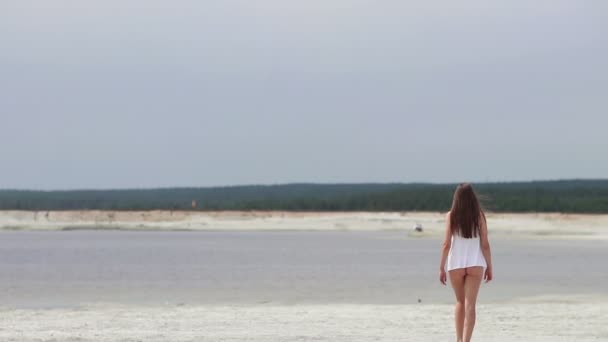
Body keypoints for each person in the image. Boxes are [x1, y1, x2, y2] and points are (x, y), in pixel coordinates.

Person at [439, 183, 493, 342]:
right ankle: (466, 340)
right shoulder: (479, 216)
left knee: (460, 302)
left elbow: (446, 244)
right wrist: (490, 266)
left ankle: (458, 340)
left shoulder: (451, 216)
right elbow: (485, 244)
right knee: (470, 305)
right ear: (473, 198)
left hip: (455, 263)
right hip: (476, 263)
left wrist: (441, 267)